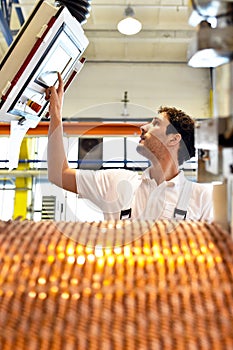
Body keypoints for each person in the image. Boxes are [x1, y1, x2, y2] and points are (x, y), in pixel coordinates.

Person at [46, 73, 213, 222]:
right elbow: (58, 174)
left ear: (174, 139)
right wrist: (56, 114)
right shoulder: (116, 181)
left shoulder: (201, 198)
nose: (143, 127)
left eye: (155, 123)